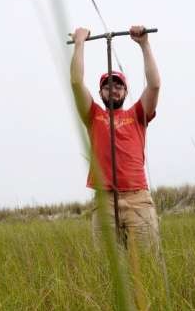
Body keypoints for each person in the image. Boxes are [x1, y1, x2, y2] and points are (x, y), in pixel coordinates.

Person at [69, 25, 161, 249]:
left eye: (118, 85)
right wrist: (80, 42)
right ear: (100, 93)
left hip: (138, 198)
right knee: (108, 269)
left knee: (147, 263)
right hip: (105, 203)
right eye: (107, 86)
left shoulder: (137, 114)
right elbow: (75, 82)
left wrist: (144, 44)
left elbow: (155, 84)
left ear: (126, 91)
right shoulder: (93, 115)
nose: (114, 89)